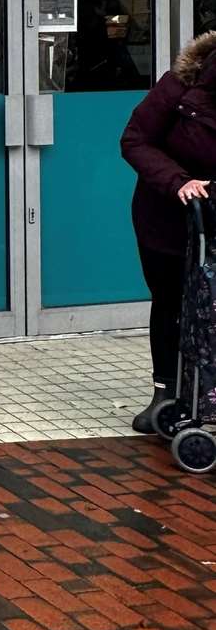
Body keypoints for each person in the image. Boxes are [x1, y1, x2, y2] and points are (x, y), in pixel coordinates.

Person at [121, 30, 216, 432]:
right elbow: (135, 140)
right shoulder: (181, 84)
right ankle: (167, 390)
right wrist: (179, 182)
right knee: (172, 304)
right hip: (169, 220)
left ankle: (206, 392)